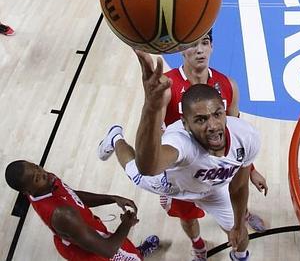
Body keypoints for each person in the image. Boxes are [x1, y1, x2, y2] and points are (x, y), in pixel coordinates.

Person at [99, 31, 267, 261]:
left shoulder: (227, 85)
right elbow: (154, 142)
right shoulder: (165, 87)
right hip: (176, 167)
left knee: (238, 222)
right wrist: (150, 105)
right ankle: (115, 138)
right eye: (193, 44)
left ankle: (241, 222)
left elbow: (235, 136)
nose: (199, 50)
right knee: (142, 174)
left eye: (205, 43)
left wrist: (252, 171)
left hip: (211, 174)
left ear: (212, 46)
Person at [4, 160, 160, 260]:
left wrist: (111, 198)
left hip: (83, 232)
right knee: (126, 254)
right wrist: (126, 223)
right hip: (93, 252)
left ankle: (136, 253)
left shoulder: (45, 183)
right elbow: (108, 250)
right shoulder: (62, 214)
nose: (43, 173)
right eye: (37, 178)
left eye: (37, 167)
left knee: (126, 247)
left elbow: (73, 195)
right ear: (27, 192)